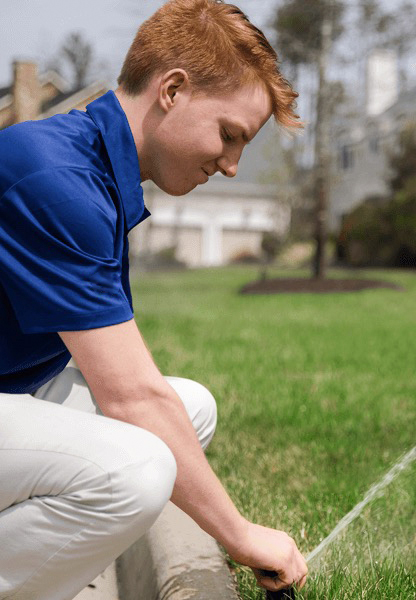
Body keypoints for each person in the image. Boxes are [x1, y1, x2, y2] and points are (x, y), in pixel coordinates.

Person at [0, 1, 308, 597]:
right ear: (172, 90)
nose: (232, 165)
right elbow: (131, 397)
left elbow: (134, 387)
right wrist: (241, 535)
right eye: (229, 135)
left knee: (189, 412)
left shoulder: (90, 170)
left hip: (12, 390)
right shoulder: (57, 181)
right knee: (138, 470)